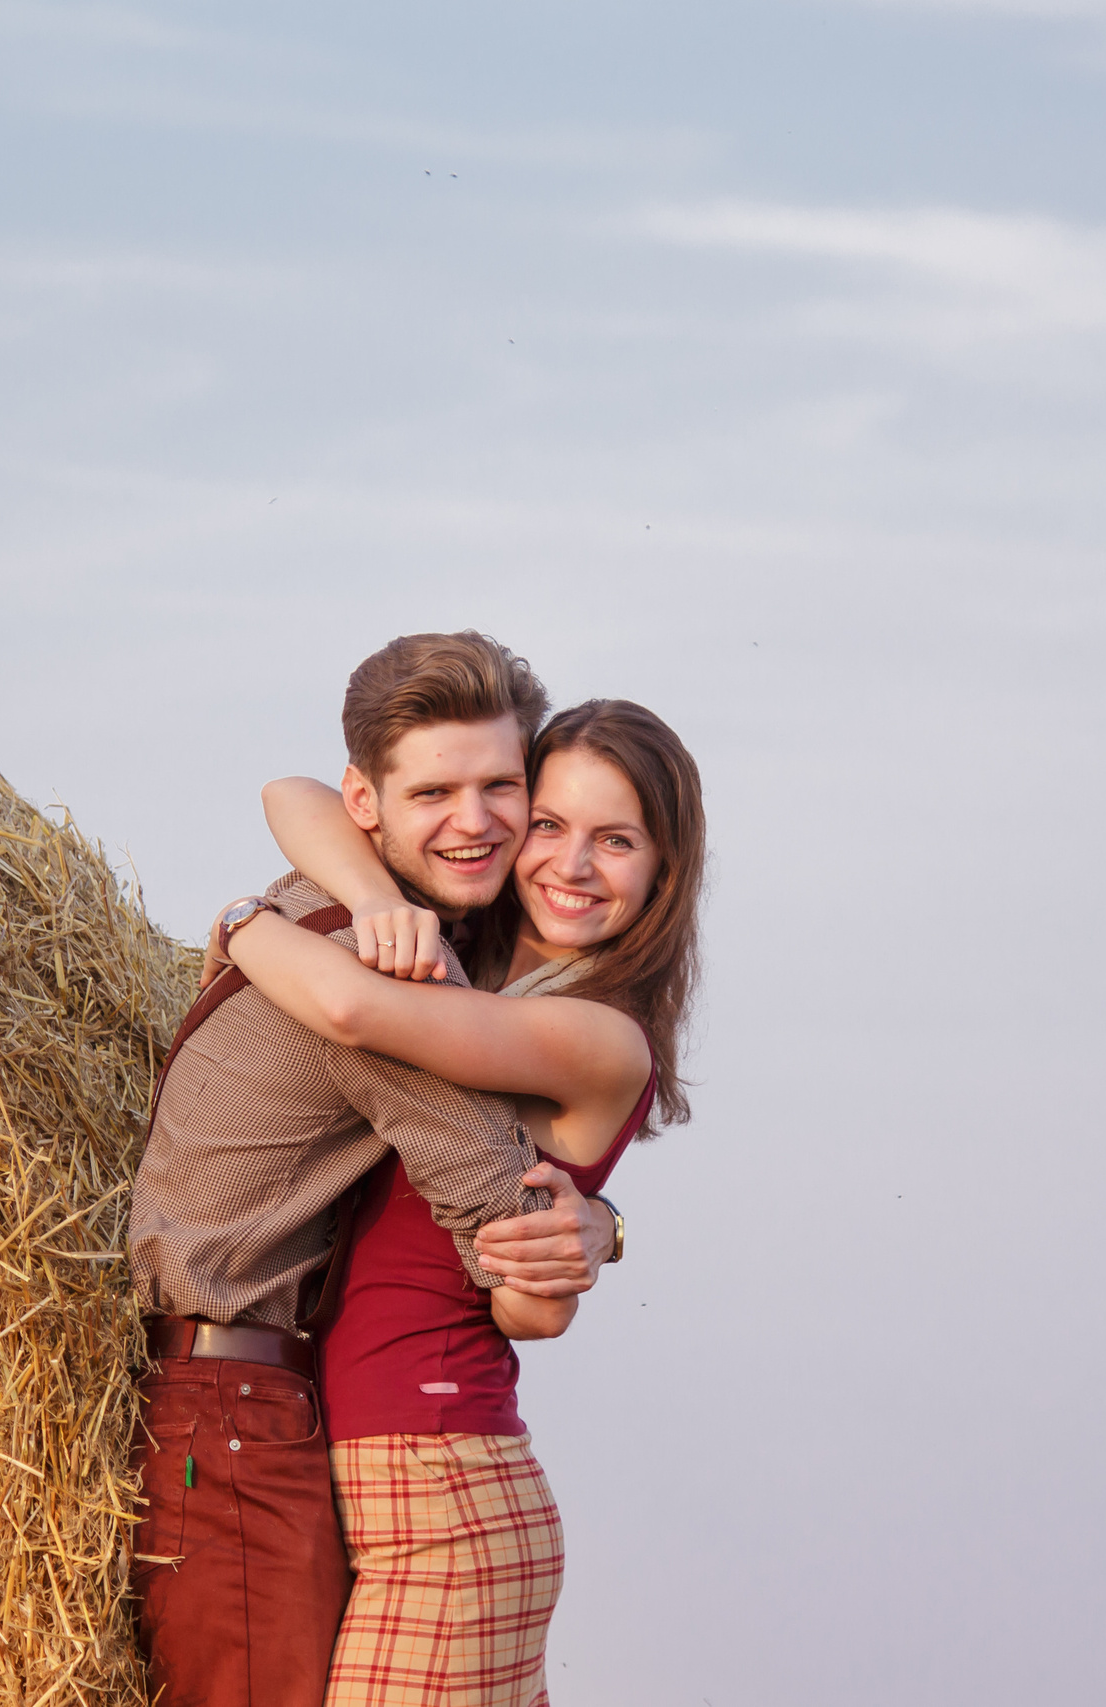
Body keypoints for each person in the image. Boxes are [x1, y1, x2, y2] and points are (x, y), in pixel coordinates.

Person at [124, 632, 620, 1707]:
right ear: (368, 802)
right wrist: (569, 1231)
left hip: (214, 1403)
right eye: (434, 790)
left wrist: (604, 1219)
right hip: (240, 1415)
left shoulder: (312, 898)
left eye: (501, 786)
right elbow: (510, 1246)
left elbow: (290, 791)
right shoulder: (386, 971)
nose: (475, 820)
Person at [216, 696, 705, 1707]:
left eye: (615, 841)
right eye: (551, 825)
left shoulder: (597, 1035)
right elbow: (295, 794)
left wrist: (238, 926)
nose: (569, 866)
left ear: (663, 872)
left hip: (440, 1489)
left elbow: (351, 1009)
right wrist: (368, 889)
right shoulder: (471, 963)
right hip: (362, 1470)